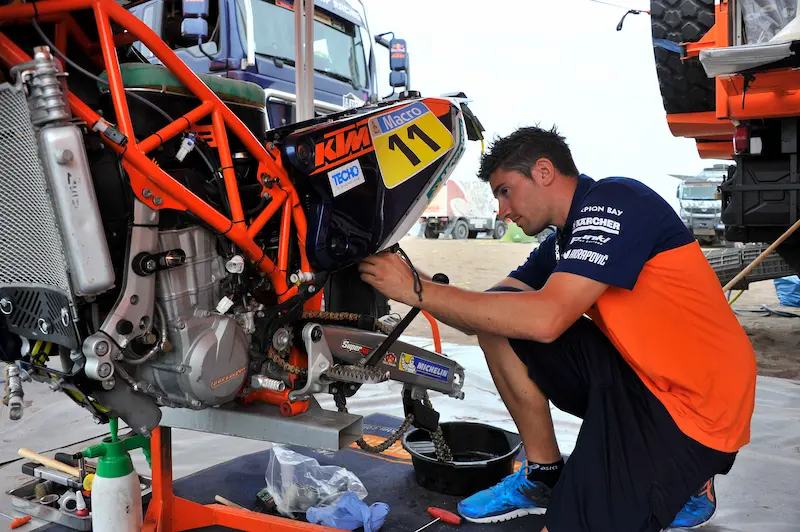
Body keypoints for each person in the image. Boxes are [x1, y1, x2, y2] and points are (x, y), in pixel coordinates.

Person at [358, 126, 757, 532]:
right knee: (498, 319)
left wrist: (416, 291)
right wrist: (410, 278)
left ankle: (687, 477)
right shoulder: (561, 243)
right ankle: (543, 475)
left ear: (544, 171)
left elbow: (547, 321)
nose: (501, 211)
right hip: (641, 377)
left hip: (694, 407)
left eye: (505, 191)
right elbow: (485, 311)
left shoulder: (615, 201)